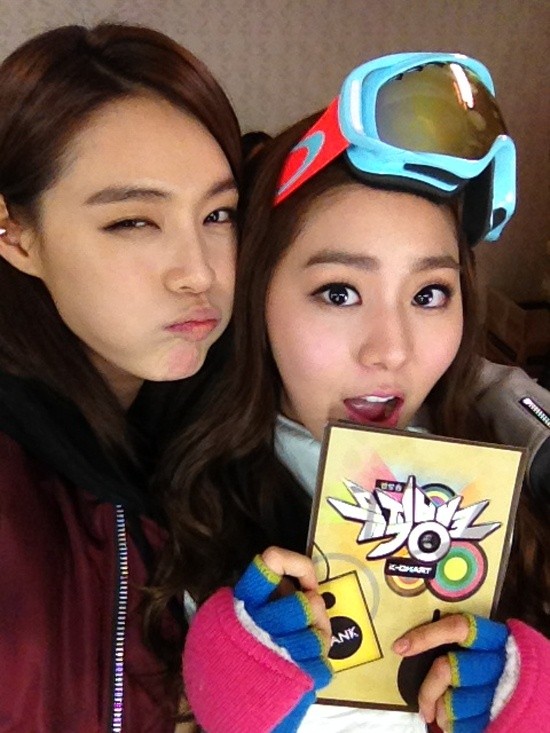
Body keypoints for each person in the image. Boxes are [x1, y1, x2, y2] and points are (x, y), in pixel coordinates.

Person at [151, 54, 550, 732]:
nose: (391, 349)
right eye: (339, 292)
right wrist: (228, 694)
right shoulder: (188, 509)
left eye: (430, 293)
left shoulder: (510, 465)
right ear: (257, 299)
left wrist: (530, 700)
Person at [0, 23, 242, 732]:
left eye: (218, 214)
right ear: (14, 233)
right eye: (133, 222)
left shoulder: (225, 428)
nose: (198, 272)